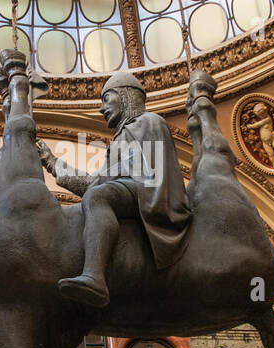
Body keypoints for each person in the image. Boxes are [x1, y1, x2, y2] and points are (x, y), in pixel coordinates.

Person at [38, 70, 192, 307]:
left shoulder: (149, 122)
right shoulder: (119, 140)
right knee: (97, 194)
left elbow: (148, 176)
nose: (101, 109)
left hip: (152, 194)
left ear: (125, 96)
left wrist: (107, 184)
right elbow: (95, 182)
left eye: (106, 99)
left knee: (99, 196)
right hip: (133, 191)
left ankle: (95, 277)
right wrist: (52, 162)